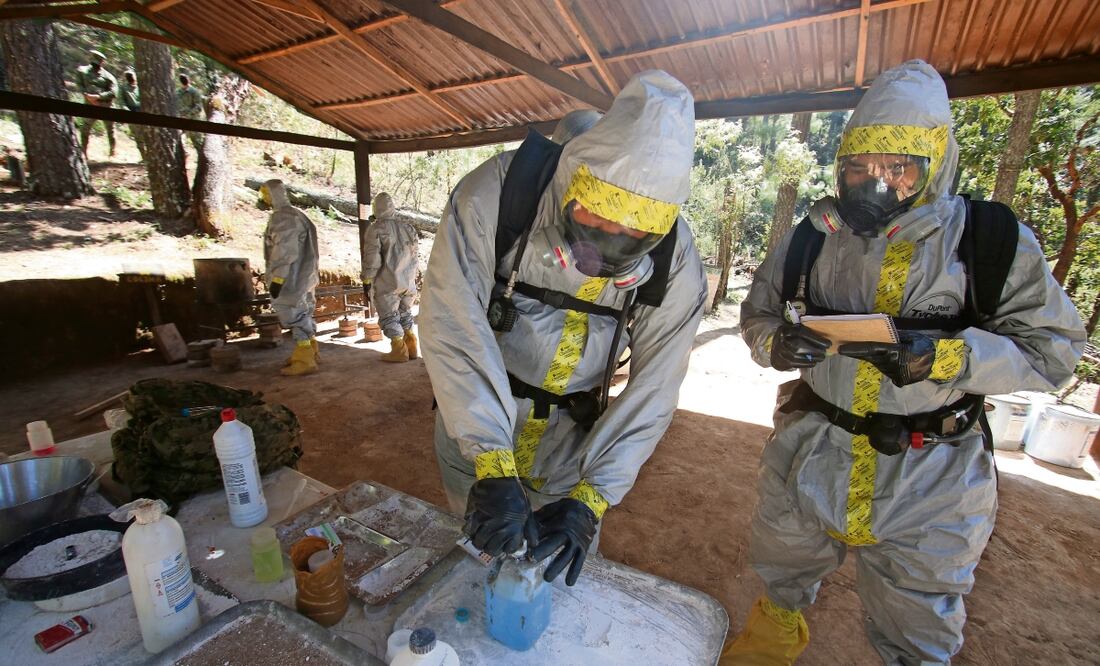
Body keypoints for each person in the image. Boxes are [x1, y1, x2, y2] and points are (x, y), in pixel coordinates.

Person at [726, 60, 1085, 665]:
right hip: (812, 449)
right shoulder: (813, 236)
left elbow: (1054, 352)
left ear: (934, 166)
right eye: (859, 167)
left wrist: (947, 358)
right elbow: (758, 314)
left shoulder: (989, 241)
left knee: (918, 615)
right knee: (784, 558)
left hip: (932, 476)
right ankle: (772, 638)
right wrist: (775, 345)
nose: (875, 184)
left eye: (899, 168)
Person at [420, 70, 707, 587]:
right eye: (594, 216)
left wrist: (593, 497)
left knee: (554, 584)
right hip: (476, 421)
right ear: (574, 174)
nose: (606, 244)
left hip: (571, 446)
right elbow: (451, 322)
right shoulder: (499, 192)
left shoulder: (675, 254)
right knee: (479, 565)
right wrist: (490, 459)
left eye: (633, 234)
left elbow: (657, 385)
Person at [261, 179, 320, 376]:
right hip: (306, 274)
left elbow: (284, 251)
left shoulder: (283, 218)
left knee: (293, 312)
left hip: (291, 276)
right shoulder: (298, 215)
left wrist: (278, 278)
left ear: (272, 194)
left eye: (265, 193)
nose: (263, 198)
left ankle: (305, 358)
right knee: (304, 312)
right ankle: (311, 351)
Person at [361, 192, 420, 363]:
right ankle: (411, 346)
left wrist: (367, 279)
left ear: (376, 209)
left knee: (389, 315)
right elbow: (415, 257)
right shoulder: (408, 228)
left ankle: (398, 350)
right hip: (408, 282)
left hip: (388, 281)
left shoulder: (376, 229)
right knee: (405, 312)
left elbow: (372, 258)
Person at [76, 50, 117, 157]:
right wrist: (87, 96)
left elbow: (113, 92)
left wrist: (98, 97)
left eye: (99, 64)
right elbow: (79, 85)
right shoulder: (82, 71)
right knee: (85, 129)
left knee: (110, 130)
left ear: (102, 63)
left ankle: (112, 152)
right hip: (90, 106)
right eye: (95, 64)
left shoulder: (109, 77)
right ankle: (83, 153)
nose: (97, 66)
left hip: (105, 106)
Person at [177, 73, 205, 151]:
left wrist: (188, 115)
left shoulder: (194, 92)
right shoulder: (178, 93)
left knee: (198, 144)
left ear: (189, 80)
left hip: (193, 120)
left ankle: (202, 161)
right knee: (179, 143)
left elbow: (198, 107)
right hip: (181, 121)